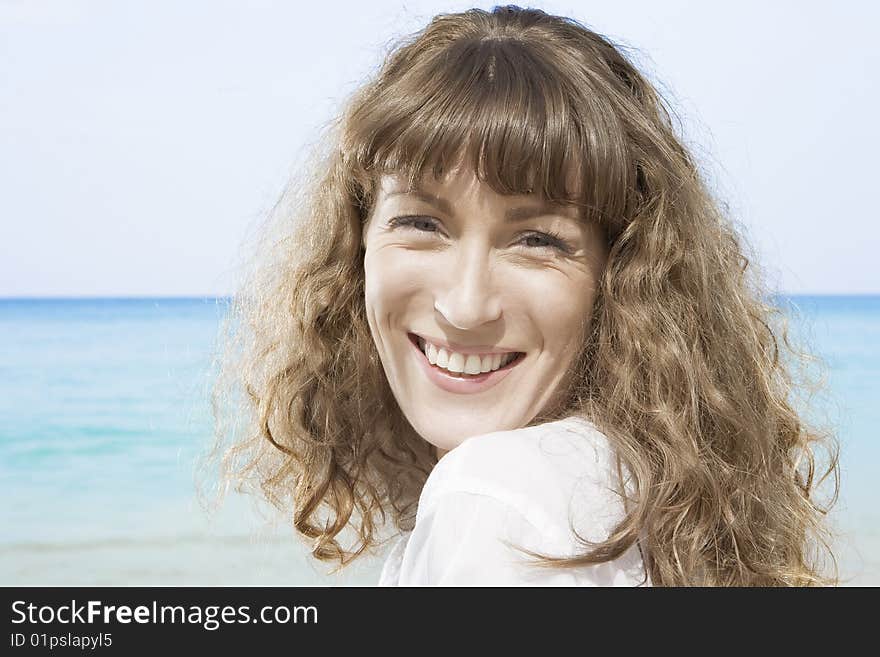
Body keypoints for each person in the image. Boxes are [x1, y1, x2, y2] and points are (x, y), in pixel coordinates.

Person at [210, 6, 839, 586]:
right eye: (422, 224)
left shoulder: (500, 504)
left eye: (537, 240)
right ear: (358, 247)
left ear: (620, 277)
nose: (465, 305)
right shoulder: (635, 493)